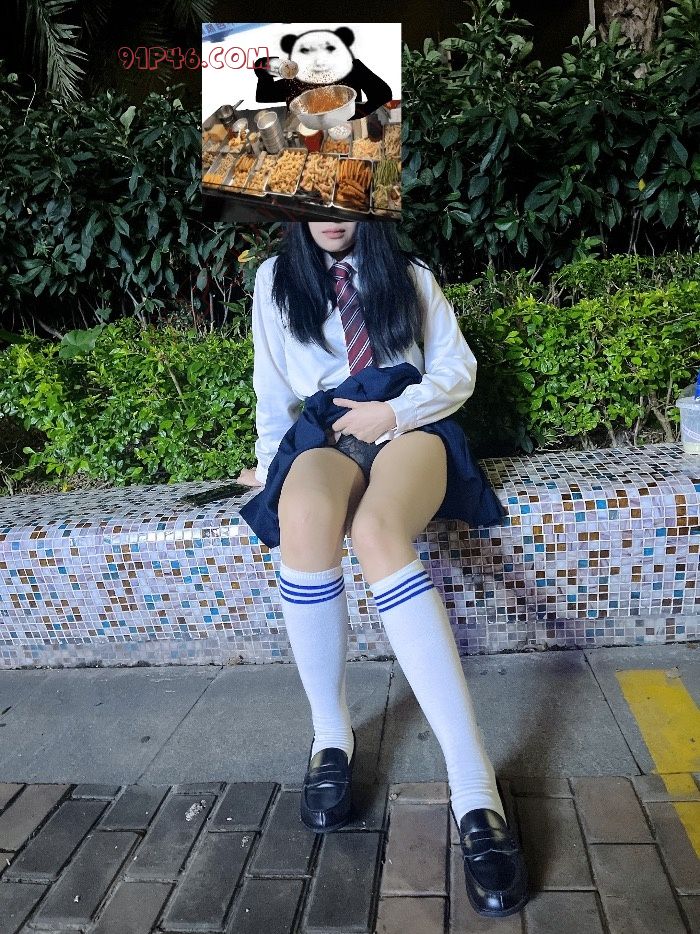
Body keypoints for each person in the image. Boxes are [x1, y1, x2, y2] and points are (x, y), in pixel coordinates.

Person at [236, 221, 529, 918]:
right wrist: (271, 464)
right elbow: (272, 390)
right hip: (325, 434)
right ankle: (330, 737)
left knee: (375, 530)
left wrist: (396, 411)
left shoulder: (410, 272)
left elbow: (456, 370)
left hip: (410, 429)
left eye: (349, 191)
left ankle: (473, 785)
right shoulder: (275, 281)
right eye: (316, 194)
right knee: (303, 514)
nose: (332, 212)